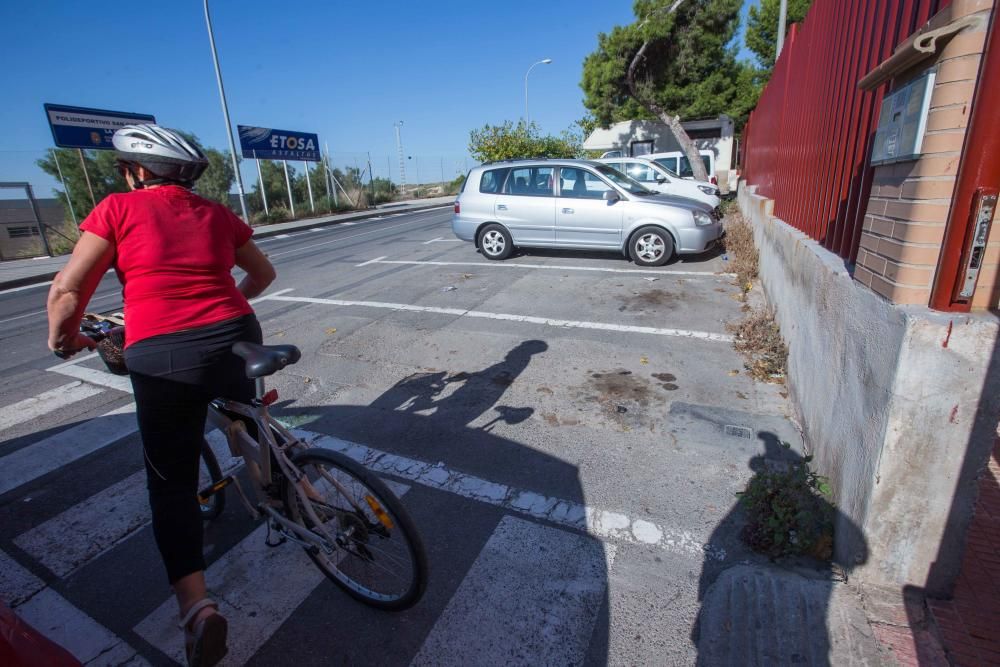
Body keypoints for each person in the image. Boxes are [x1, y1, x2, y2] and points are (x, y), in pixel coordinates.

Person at [46, 124, 275, 667]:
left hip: (164, 354)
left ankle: (198, 611)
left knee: (171, 482)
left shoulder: (117, 210)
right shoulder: (216, 212)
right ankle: (294, 491)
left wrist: (65, 340)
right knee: (247, 422)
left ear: (135, 171)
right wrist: (227, 310)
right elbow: (263, 273)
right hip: (237, 335)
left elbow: (68, 289)